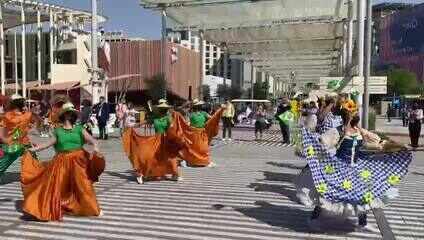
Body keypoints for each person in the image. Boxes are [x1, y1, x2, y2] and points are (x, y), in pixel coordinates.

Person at [297, 102, 412, 232]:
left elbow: (372, 143)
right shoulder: (338, 131)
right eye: (354, 114)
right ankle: (313, 219)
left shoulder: (359, 131)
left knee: (364, 194)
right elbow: (323, 143)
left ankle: (363, 222)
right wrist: (315, 143)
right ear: (348, 117)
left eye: (356, 114)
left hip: (356, 168)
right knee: (329, 195)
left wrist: (389, 147)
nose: (357, 116)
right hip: (339, 169)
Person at [22, 102, 104, 221]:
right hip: (61, 161)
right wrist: (34, 148)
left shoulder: (79, 129)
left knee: (84, 185)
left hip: (78, 161)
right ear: (64, 115)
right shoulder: (58, 131)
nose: (70, 115)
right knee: (56, 185)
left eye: (72, 113)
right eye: (68, 113)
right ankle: (49, 206)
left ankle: (93, 208)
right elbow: (47, 144)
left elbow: (93, 141)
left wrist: (95, 148)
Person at [122, 99, 183, 184]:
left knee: (170, 158)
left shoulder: (168, 118)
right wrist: (132, 126)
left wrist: (174, 137)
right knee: (147, 155)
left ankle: (176, 174)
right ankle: (140, 173)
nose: (162, 110)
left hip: (166, 140)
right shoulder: (154, 117)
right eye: (161, 108)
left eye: (164, 108)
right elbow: (144, 122)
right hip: (155, 139)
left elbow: (173, 129)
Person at [0, 94, 40, 176]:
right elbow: (38, 122)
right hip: (23, 143)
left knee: (4, 163)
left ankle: (37, 174)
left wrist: (4, 140)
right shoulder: (27, 115)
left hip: (13, 143)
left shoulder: (7, 116)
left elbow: (1, 129)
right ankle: (37, 174)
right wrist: (31, 129)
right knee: (33, 160)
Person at [177, 99, 223, 167]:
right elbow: (187, 123)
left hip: (202, 133)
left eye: (200, 105)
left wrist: (217, 114)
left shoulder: (203, 113)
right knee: (194, 148)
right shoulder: (191, 115)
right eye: (198, 105)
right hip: (193, 133)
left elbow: (212, 118)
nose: (200, 106)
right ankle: (192, 161)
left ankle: (204, 161)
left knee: (203, 148)